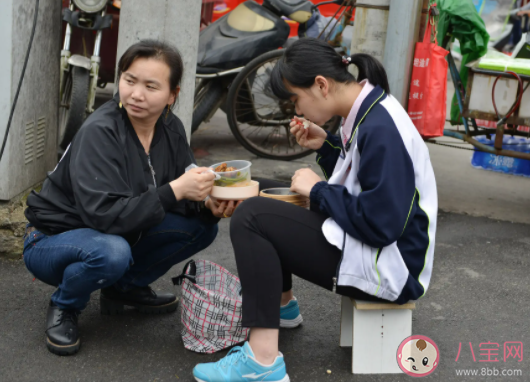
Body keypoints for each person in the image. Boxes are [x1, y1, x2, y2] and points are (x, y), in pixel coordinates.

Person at [193, 37, 438, 382]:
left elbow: (383, 224)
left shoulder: (380, 128)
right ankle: (281, 308)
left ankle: (262, 362)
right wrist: (326, 146)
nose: (296, 111)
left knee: (252, 216)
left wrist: (319, 190)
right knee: (267, 202)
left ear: (321, 85)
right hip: (382, 253)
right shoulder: (370, 109)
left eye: (296, 99)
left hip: (393, 269)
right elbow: (365, 182)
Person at [22, 40, 238, 356]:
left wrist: (207, 204)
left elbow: (178, 194)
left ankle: (123, 288)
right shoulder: (101, 130)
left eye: (151, 86)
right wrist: (177, 189)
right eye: (129, 80)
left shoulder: (171, 128)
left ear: (172, 95)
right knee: (112, 252)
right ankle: (65, 304)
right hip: (52, 240)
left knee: (203, 227)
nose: (136, 94)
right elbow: (104, 217)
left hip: (113, 232)